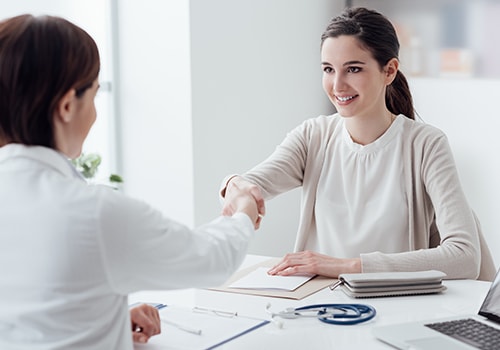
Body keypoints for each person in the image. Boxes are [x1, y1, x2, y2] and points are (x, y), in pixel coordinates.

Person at [0, 14, 262, 350]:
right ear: (67, 105)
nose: (94, 113)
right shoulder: (92, 213)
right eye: (93, 95)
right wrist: (244, 208)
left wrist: (101, 316)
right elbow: (212, 260)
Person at [221, 7, 491, 281]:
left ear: (389, 71)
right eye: (328, 69)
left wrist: (345, 267)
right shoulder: (313, 136)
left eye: (353, 69)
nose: (337, 85)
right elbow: (253, 185)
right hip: (321, 307)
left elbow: (464, 257)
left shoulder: (425, 145)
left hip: (398, 308)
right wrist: (235, 186)